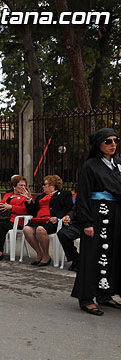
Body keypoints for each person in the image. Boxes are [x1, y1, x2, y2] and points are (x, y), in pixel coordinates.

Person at [71, 128, 121, 315]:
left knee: (112, 253)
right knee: (92, 255)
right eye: (108, 141)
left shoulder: (118, 164)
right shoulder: (90, 166)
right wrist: (86, 222)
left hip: (116, 214)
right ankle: (86, 297)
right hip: (98, 214)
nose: (113, 145)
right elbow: (83, 195)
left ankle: (105, 293)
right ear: (98, 144)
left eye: (115, 140)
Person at [22, 175, 73, 266]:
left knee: (40, 230)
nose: (42, 186)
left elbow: (68, 207)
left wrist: (57, 217)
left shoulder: (64, 194)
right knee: (26, 229)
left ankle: (46, 256)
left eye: (44, 184)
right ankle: (39, 254)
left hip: (52, 221)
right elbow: (32, 211)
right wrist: (29, 200)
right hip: (39, 220)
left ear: (52, 185)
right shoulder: (41, 196)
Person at [57, 200, 81, 271]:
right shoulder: (82, 198)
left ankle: (83, 261)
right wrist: (68, 217)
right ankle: (75, 258)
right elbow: (73, 210)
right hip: (78, 225)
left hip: (93, 226)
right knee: (62, 233)